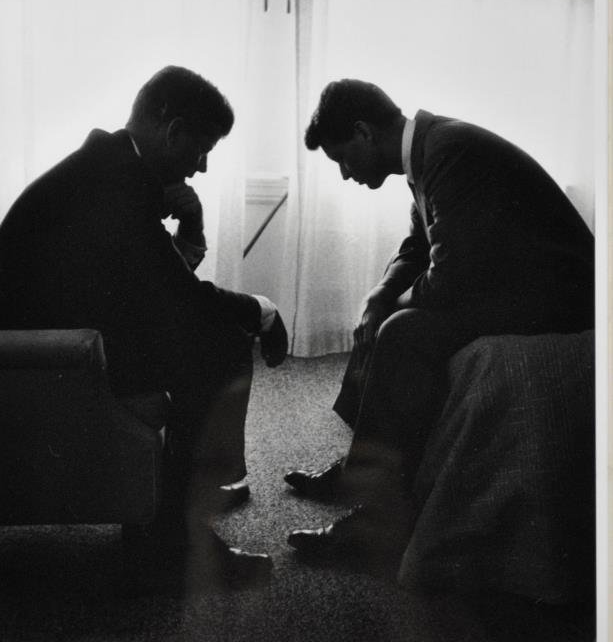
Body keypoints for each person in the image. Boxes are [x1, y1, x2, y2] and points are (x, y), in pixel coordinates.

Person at [0, 65, 288, 591]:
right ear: (172, 130)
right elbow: (174, 298)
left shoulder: (109, 169)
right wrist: (261, 311)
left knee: (211, 335)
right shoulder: (113, 187)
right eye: (201, 150)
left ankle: (193, 491)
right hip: (50, 360)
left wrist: (192, 227)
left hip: (66, 340)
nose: (200, 168)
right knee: (221, 344)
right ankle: (176, 543)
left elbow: (150, 286)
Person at [285, 79, 594, 568]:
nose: (345, 174)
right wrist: (380, 293)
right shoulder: (432, 150)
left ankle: (377, 514)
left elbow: (449, 275)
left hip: (559, 299)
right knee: (382, 314)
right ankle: (361, 467)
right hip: (512, 282)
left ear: (364, 133)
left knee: (401, 331)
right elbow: (419, 246)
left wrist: (392, 309)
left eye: (342, 158)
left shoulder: (450, 152)